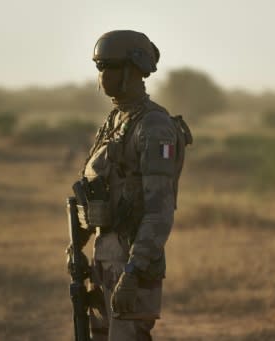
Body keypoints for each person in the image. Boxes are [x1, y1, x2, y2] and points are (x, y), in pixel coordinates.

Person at [68, 30, 192, 341]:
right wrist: (77, 245)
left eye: (108, 66)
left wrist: (132, 275)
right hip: (104, 260)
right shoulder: (114, 120)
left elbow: (159, 212)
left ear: (133, 69)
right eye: (99, 67)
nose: (101, 76)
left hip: (131, 265)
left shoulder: (153, 126)